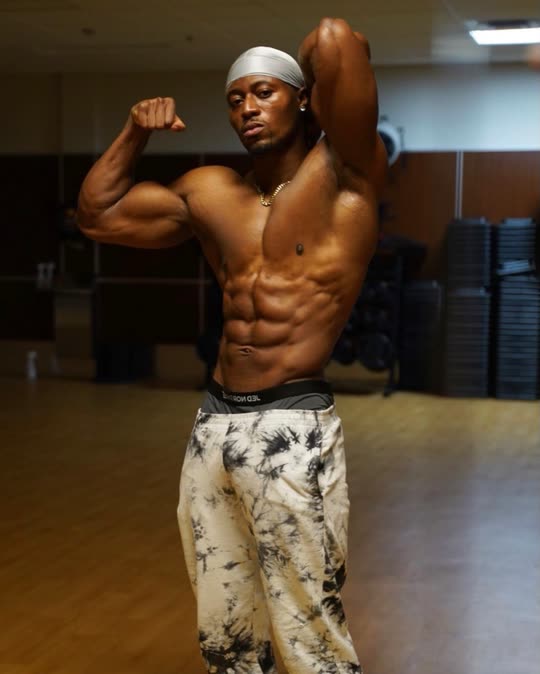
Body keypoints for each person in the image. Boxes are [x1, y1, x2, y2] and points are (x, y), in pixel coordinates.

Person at [77, 16, 387, 674]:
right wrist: (135, 131)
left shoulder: (345, 177)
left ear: (302, 100)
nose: (247, 107)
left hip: (291, 428)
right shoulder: (211, 191)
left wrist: (303, 83)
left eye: (264, 93)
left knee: (309, 634)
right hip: (213, 428)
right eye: (236, 98)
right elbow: (98, 216)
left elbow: (335, 38)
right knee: (225, 635)